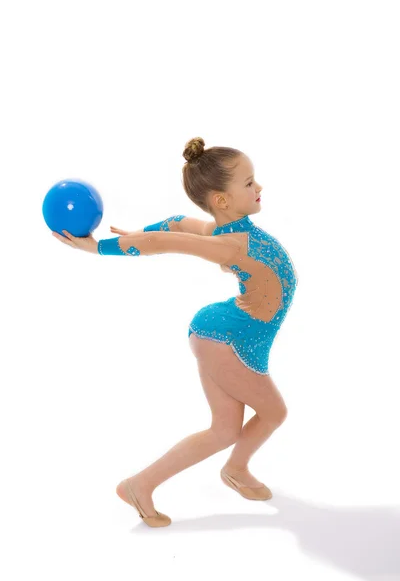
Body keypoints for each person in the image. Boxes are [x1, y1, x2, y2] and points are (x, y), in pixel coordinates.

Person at [52, 136, 299, 528]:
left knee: (224, 429)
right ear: (221, 200)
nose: (259, 187)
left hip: (231, 334)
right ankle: (234, 469)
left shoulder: (229, 234)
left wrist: (135, 231)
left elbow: (175, 224)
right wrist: (101, 248)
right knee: (273, 412)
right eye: (249, 183)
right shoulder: (232, 246)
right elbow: (163, 241)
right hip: (227, 340)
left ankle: (141, 484)